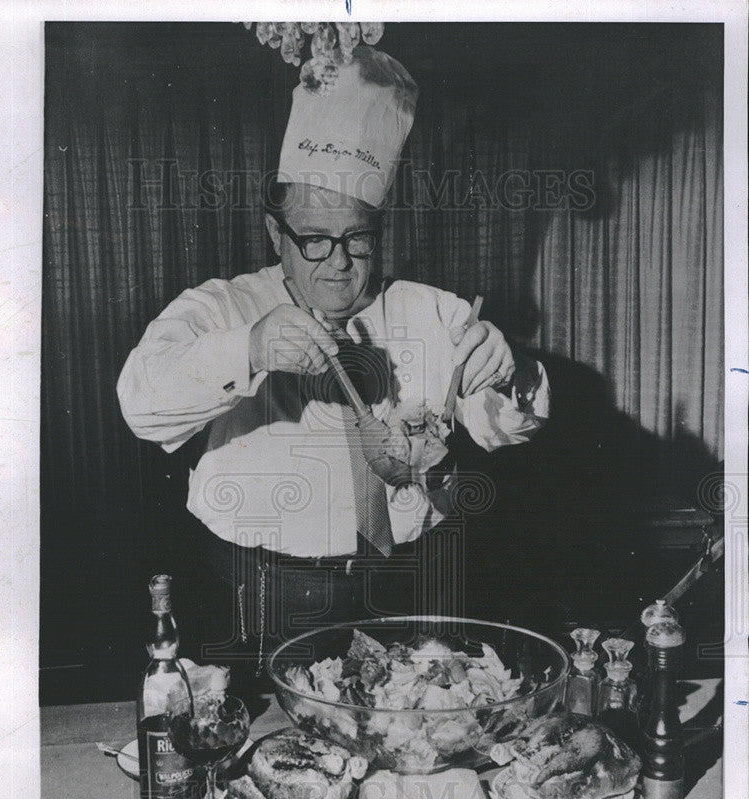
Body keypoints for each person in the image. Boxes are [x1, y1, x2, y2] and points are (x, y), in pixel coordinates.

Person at [117, 46, 549, 690]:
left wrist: (511, 378)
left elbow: (498, 426)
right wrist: (252, 349)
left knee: (402, 739)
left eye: (358, 239)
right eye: (313, 240)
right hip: (262, 591)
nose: (339, 263)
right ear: (275, 233)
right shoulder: (222, 307)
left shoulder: (434, 311)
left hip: (407, 580)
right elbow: (140, 406)